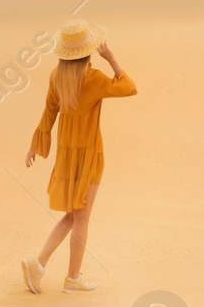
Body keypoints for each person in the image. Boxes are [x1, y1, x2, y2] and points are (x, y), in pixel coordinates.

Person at [21, 18, 136, 293]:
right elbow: (129, 87)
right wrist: (111, 58)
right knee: (81, 219)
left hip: (66, 155)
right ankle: (72, 278)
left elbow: (49, 111)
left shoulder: (57, 77)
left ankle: (39, 266)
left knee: (73, 216)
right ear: (89, 51)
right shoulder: (93, 79)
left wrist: (36, 145)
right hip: (89, 155)